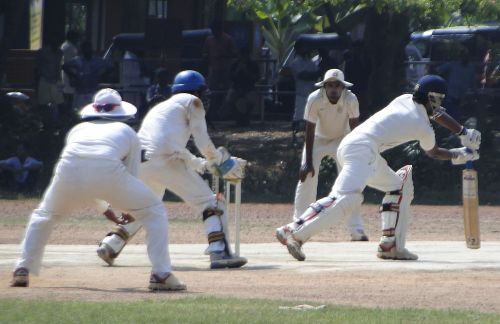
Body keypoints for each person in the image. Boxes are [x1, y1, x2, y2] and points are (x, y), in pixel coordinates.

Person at [276, 75, 481, 261]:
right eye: (439, 99)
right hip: (361, 149)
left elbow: (437, 114)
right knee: (346, 198)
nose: (440, 105)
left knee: (398, 187)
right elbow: (434, 152)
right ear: (433, 97)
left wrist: (462, 131)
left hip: (362, 149)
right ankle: (292, 231)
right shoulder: (422, 126)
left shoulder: (405, 99)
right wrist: (461, 153)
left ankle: (390, 245)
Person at [10, 88, 186, 291]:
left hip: (67, 174)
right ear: (119, 111)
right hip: (109, 173)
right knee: (154, 210)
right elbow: (130, 176)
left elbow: (84, 175)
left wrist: (107, 210)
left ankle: (22, 268)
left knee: (43, 215)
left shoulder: (78, 130)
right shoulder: (127, 132)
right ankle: (161, 274)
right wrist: (126, 209)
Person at [96, 70, 248, 269]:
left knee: (146, 207)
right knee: (210, 202)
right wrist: (220, 161)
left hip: (140, 163)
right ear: (195, 92)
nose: (204, 98)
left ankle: (110, 244)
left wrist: (202, 164)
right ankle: (219, 251)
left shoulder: (164, 108)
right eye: (203, 92)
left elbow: (171, 147)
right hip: (164, 159)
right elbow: (202, 141)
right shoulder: (193, 102)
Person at [292, 69, 368, 242]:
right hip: (317, 140)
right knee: (307, 178)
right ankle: (299, 225)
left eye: (337, 86)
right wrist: (308, 162)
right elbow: (309, 129)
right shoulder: (314, 99)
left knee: (351, 183)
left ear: (343, 88)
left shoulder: (351, 99)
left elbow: (355, 129)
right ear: (324, 87)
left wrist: (358, 157)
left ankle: (357, 230)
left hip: (343, 139)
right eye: (330, 86)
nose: (334, 90)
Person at [202, 21, 237, 120]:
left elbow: (234, 53)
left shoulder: (228, 39)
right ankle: (211, 113)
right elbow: (205, 52)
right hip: (213, 69)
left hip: (226, 70)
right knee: (211, 92)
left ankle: (226, 113)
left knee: (227, 91)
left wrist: (223, 56)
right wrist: (206, 57)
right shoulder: (209, 40)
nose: (215, 32)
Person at [286, 44, 320, 143]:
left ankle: (310, 137)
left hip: (312, 92)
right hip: (301, 92)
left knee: (312, 116)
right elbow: (302, 75)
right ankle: (294, 136)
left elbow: (317, 73)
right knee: (298, 116)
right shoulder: (295, 62)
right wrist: (312, 75)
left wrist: (312, 74)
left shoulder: (311, 62)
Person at [62, 40, 109, 111]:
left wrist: (102, 76)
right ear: (82, 50)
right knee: (79, 113)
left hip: (92, 92)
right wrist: (73, 76)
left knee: (93, 112)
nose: (87, 50)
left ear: (91, 49)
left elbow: (110, 67)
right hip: (80, 93)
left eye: (88, 48)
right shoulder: (77, 60)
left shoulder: (97, 61)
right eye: (85, 48)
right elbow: (64, 66)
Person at [436, 47, 479, 120]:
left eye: (467, 55)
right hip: (450, 94)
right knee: (448, 114)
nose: (465, 57)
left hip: (461, 96)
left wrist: (475, 92)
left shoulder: (471, 67)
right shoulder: (453, 64)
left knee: (456, 116)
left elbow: (472, 81)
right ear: (460, 56)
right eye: (463, 55)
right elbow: (439, 70)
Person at [224, 47, 260, 126]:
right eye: (241, 55)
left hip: (249, 88)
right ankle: (237, 117)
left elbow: (256, 78)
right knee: (229, 100)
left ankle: (246, 117)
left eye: (245, 55)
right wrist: (237, 71)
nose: (243, 57)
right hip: (236, 87)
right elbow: (230, 77)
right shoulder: (235, 64)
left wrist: (246, 71)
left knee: (251, 100)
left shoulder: (253, 65)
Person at [35, 38, 64, 126]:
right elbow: (37, 67)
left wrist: (60, 81)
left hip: (56, 80)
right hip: (44, 79)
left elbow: (59, 67)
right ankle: (43, 122)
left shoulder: (60, 53)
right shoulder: (42, 52)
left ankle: (56, 121)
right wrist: (36, 81)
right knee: (43, 103)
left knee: (58, 103)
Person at [60, 30, 80, 110]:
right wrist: (73, 77)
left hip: (68, 76)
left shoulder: (66, 46)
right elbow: (66, 65)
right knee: (69, 97)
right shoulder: (69, 48)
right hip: (69, 76)